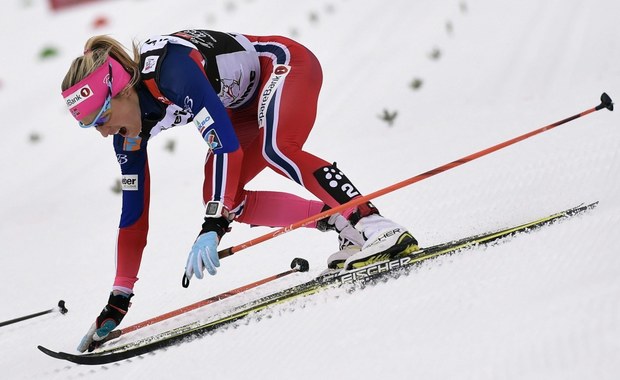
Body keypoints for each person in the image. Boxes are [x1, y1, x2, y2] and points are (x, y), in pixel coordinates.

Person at [61, 29, 418, 352]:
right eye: (90, 127)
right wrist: (118, 300)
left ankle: (376, 225)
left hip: (283, 67)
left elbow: (225, 147)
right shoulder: (128, 136)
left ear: (121, 92)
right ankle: (346, 226)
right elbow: (133, 217)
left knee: (276, 149)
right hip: (243, 106)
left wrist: (213, 225)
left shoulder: (171, 70)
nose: (104, 134)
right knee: (226, 198)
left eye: (102, 119)